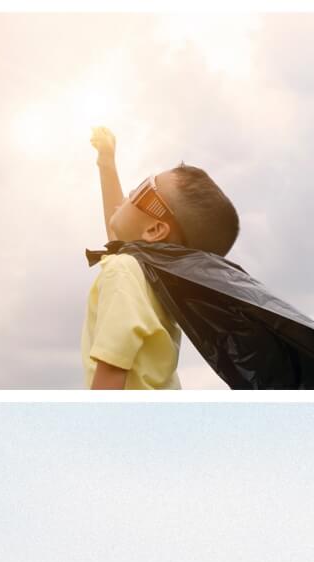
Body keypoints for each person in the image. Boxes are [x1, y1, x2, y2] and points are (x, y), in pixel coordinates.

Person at [83, 127, 240, 390]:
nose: (132, 189)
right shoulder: (155, 275)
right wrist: (106, 161)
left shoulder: (123, 270)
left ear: (155, 230)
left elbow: (112, 370)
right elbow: (118, 232)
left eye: (145, 188)